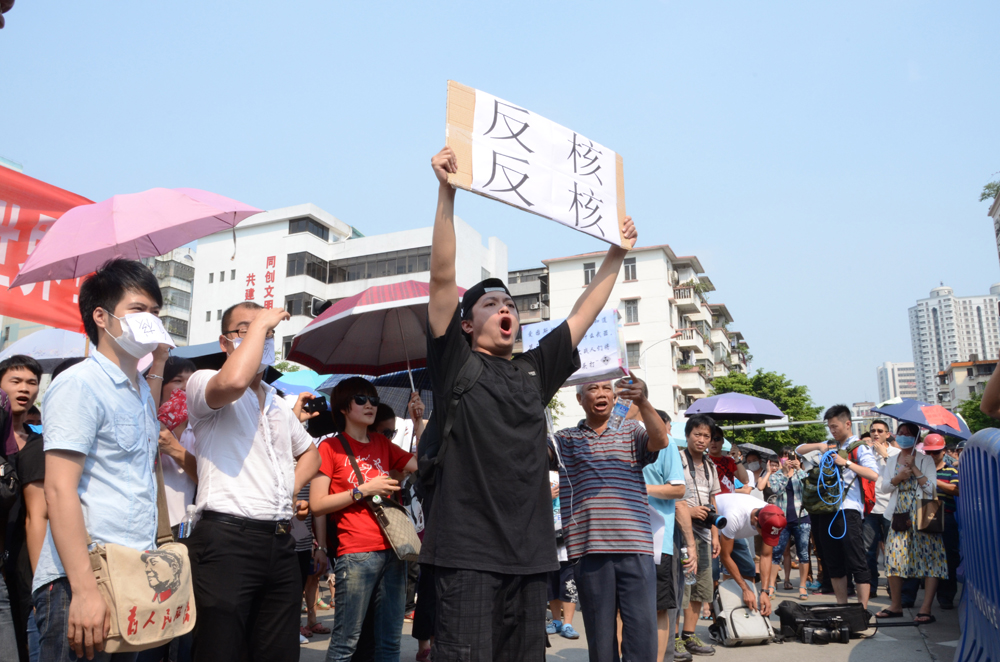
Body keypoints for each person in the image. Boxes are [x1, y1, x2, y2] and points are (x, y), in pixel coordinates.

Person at [421, 146, 638, 662]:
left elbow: (585, 309)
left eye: (510, 304)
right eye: (491, 304)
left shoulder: (534, 370)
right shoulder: (456, 362)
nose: (505, 309)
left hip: (530, 556)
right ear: (468, 324)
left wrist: (618, 253)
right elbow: (441, 279)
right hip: (466, 554)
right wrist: (447, 192)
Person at [32, 259, 171, 662]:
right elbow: (59, 490)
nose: (151, 321)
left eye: (156, 313)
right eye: (139, 310)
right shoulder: (79, 384)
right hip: (83, 580)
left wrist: (158, 362)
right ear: (101, 317)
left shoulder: (140, 392)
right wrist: (86, 590)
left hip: (131, 573)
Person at [184, 301, 321, 662]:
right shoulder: (204, 383)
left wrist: (285, 492)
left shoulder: (278, 403)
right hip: (226, 541)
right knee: (221, 651)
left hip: (279, 541)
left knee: (277, 652)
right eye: (246, 329)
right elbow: (233, 380)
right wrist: (261, 324)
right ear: (224, 342)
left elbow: (311, 455)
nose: (261, 336)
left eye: (268, 332)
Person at [552, 376, 668, 662]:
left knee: (642, 633)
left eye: (607, 389)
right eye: (592, 388)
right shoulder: (565, 439)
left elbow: (660, 440)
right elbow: (530, 452)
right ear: (580, 399)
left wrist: (641, 400)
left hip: (636, 546)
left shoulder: (631, 430)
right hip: (588, 551)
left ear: (616, 398)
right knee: (601, 638)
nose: (601, 393)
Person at [309, 376, 417, 662]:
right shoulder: (329, 448)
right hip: (356, 553)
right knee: (346, 643)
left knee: (390, 644)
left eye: (373, 400)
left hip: (394, 549)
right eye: (361, 399)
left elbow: (419, 466)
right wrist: (363, 491)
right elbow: (317, 504)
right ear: (344, 407)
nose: (370, 405)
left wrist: (418, 423)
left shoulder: (382, 442)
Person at [795, 404, 879, 608]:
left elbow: (873, 474)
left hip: (848, 509)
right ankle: (842, 606)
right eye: (830, 427)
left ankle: (862, 609)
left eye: (835, 426)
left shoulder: (860, 447)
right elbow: (798, 450)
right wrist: (820, 446)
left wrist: (846, 463)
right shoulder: (829, 445)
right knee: (832, 560)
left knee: (856, 559)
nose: (832, 431)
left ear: (847, 423)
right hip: (826, 510)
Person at [875, 423, 947, 624]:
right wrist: (899, 477)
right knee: (893, 558)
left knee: (930, 559)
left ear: (916, 438)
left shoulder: (925, 460)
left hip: (923, 513)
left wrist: (914, 467)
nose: (904, 436)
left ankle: (926, 609)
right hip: (899, 513)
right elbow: (884, 488)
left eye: (909, 434)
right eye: (901, 433)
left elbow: (931, 489)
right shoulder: (891, 461)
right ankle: (895, 605)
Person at [644, 409, 696, 662]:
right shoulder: (614, 441)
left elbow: (679, 495)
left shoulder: (666, 448)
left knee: (659, 607)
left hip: (657, 540)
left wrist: (691, 547)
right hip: (618, 539)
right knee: (621, 610)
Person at [0, 354, 43, 662]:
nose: (24, 388)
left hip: (26, 553)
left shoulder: (41, 443)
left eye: (31, 382)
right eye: (15, 381)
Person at [678, 415, 721, 656]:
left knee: (699, 588)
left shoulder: (710, 465)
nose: (702, 440)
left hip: (704, 536)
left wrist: (715, 535)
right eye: (698, 434)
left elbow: (713, 502)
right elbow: (672, 493)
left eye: (707, 436)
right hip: (681, 535)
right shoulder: (677, 459)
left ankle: (689, 636)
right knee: (681, 588)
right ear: (688, 435)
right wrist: (689, 511)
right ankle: (674, 638)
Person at [715, 493, 786, 616]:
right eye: (764, 533)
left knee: (748, 570)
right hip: (713, 527)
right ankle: (719, 617)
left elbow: (766, 556)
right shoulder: (735, 516)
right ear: (756, 520)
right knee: (713, 576)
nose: (765, 537)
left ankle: (745, 616)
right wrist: (745, 589)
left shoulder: (771, 515)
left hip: (734, 532)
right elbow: (725, 556)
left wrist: (764, 591)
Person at [767, 453, 811, 600]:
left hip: (802, 517)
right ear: (780, 460)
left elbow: (808, 489)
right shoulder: (776, 475)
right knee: (776, 553)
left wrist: (799, 470)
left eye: (791, 458)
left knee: (803, 553)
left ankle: (803, 586)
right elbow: (776, 491)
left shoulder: (801, 473)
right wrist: (785, 475)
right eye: (785, 458)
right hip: (782, 518)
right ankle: (771, 585)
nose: (788, 461)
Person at [864, 419, 899, 599]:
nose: (876, 434)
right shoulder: (866, 453)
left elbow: (900, 474)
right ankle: (871, 586)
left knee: (892, 550)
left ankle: (894, 589)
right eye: (873, 431)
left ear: (887, 434)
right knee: (868, 550)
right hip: (870, 509)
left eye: (880, 431)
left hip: (890, 508)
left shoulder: (896, 453)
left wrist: (885, 455)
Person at [925, 434, 960, 610]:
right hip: (925, 512)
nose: (932, 456)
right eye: (928, 452)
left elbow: (957, 489)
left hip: (945, 515)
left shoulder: (952, 471)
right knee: (926, 557)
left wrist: (935, 481)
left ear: (944, 452)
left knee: (948, 558)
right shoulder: (919, 471)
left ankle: (946, 596)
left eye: (936, 452)